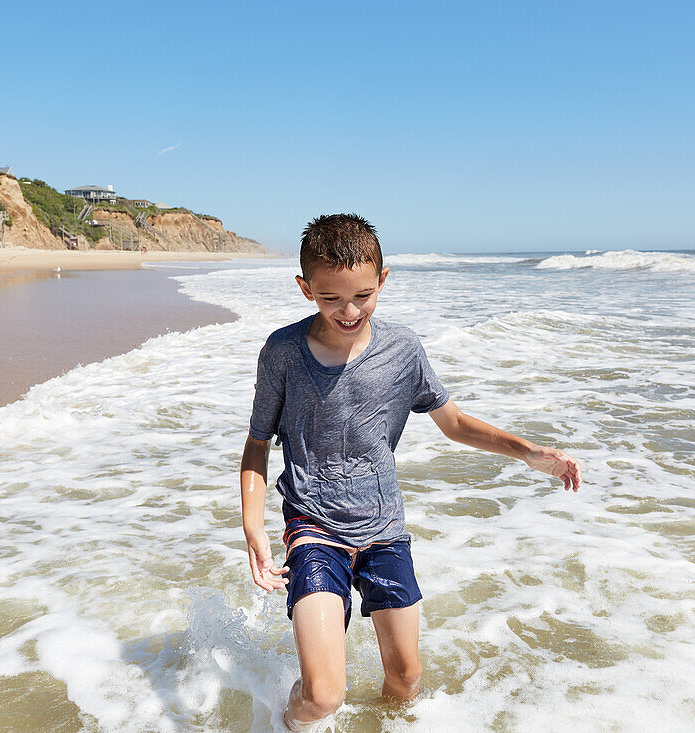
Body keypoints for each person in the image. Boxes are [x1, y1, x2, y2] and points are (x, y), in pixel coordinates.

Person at [239, 214, 582, 730]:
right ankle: (286, 722)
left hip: (384, 529)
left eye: (362, 295)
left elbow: (456, 423)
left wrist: (527, 451)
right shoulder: (283, 353)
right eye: (331, 298)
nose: (348, 310)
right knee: (324, 696)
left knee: (405, 680)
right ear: (305, 288)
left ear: (383, 279)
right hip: (313, 528)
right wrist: (253, 529)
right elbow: (257, 444)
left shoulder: (403, 351)